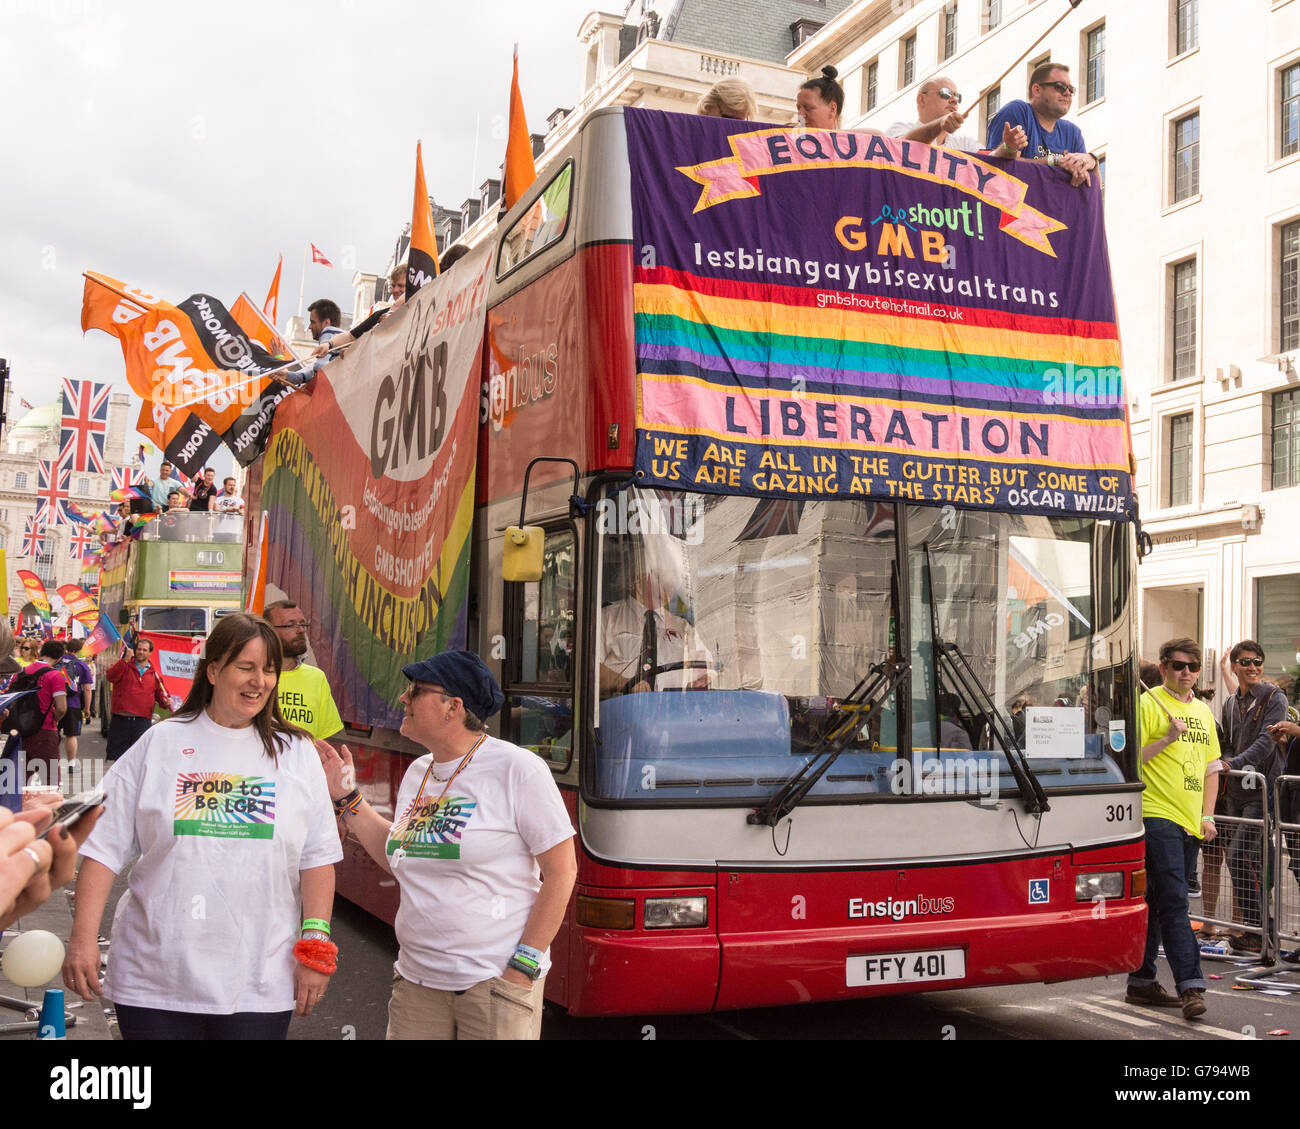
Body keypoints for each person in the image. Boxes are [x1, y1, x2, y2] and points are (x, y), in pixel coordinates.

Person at [62, 613, 342, 1039]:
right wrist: (82, 940)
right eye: (245, 667)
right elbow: (102, 848)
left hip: (259, 983)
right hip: (155, 982)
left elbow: (318, 858)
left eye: (268, 670)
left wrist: (316, 948)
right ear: (213, 670)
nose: (259, 681)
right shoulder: (162, 742)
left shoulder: (297, 753)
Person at [316, 650, 576, 1039]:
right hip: (417, 982)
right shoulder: (419, 772)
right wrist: (346, 798)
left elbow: (561, 872)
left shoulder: (517, 768)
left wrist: (524, 966)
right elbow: (400, 855)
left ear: (452, 707)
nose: (403, 698)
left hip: (493, 984)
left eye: (415, 690)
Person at [1126, 638, 1220, 1020]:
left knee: (1158, 902)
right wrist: (1167, 738)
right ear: (1163, 667)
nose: (1186, 673)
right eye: (1179, 665)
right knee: (1177, 902)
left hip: (1189, 821)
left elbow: (1212, 768)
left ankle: (1141, 982)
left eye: (1193, 667)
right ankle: (1191, 988)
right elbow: (1130, 761)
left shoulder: (1202, 710)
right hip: (1156, 813)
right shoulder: (1148, 704)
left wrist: (1208, 815)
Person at [1215, 640, 1288, 953]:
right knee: (1250, 862)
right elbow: (1230, 742)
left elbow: (1264, 745)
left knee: (1239, 856)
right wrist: (1227, 763)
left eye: (1258, 661)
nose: (1253, 667)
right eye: (1245, 662)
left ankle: (1264, 931)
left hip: (1263, 790)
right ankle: (1255, 931)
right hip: (1236, 793)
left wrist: (1229, 763)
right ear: (1235, 667)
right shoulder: (1231, 703)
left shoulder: (1274, 697)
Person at [598, 562, 714, 695]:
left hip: (674, 711)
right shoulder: (606, 618)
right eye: (660, 577)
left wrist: (704, 680)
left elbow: (708, 668)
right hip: (620, 709)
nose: (670, 585)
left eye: (673, 579)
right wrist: (626, 684)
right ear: (637, 580)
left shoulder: (683, 627)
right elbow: (590, 669)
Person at [985, 62, 1098, 187]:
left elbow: (1092, 188)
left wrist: (1093, 161)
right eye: (1060, 86)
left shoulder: (1072, 132)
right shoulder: (1018, 111)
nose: (1067, 93)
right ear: (1037, 90)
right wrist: (1054, 161)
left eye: (1071, 89)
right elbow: (999, 167)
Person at [888, 75, 1026, 156]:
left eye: (957, 97)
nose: (954, 100)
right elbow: (901, 147)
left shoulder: (965, 143)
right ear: (921, 100)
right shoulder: (899, 129)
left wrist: (1008, 147)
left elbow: (990, 162)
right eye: (945, 94)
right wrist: (939, 124)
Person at [265, 601, 343, 741]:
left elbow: (325, 740)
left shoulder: (316, 678)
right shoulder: (254, 678)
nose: (301, 630)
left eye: (303, 624)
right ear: (268, 630)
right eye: (290, 625)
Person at [310, 265, 406, 358]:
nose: (395, 290)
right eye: (393, 286)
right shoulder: (380, 314)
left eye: (401, 286)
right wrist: (328, 344)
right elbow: (350, 336)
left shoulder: (418, 315)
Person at [104, 637, 171, 762]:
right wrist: (125, 660)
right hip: (120, 720)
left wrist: (166, 702)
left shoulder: (154, 673)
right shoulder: (124, 665)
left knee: (140, 759)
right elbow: (110, 676)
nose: (141, 652)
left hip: (142, 722)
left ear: (150, 653)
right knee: (117, 759)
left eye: (145, 650)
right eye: (139, 649)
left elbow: (161, 697)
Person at [23, 641, 68, 787]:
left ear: (41, 652)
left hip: (22, 731)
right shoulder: (55, 675)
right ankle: (52, 810)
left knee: (20, 782)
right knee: (51, 781)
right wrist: (53, 719)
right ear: (59, 658)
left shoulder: (22, 671)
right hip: (45, 731)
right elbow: (61, 708)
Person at [56, 638, 94, 780]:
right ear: (79, 650)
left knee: (54, 732)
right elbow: (87, 689)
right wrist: (87, 708)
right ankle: (71, 763)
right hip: (73, 704)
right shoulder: (81, 665)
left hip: (56, 702)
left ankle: (53, 760)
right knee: (71, 735)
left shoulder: (57, 662)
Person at [285, 298, 345, 386]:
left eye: (313, 322)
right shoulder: (338, 341)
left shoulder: (329, 331)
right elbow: (312, 372)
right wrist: (288, 376)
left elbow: (320, 368)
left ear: (326, 322)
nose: (309, 327)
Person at [797, 66, 851, 130]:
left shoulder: (859, 138)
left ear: (832, 109)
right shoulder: (789, 137)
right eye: (798, 109)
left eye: (808, 108)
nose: (800, 116)